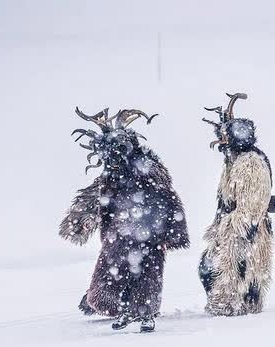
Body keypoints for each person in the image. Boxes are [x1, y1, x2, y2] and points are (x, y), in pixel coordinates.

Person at [60, 107, 189, 331]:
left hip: (148, 233)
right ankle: (123, 309)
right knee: (113, 275)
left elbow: (167, 198)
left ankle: (143, 313)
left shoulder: (147, 169)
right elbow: (100, 196)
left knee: (146, 275)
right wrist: (84, 220)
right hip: (120, 235)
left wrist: (172, 231)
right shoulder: (113, 173)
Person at [199, 93, 275, 315]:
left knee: (235, 272)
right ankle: (232, 303)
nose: (221, 145)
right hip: (234, 231)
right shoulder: (235, 162)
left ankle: (233, 306)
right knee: (211, 269)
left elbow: (250, 207)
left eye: (225, 139)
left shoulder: (250, 163)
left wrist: (234, 230)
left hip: (242, 233)